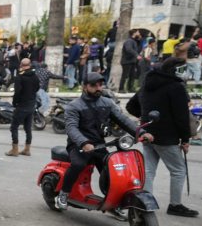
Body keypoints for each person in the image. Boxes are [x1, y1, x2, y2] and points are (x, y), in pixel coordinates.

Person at [56, 72, 152, 212]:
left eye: (100, 85)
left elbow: (123, 120)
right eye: (93, 85)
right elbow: (71, 128)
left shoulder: (107, 103)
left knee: (112, 171)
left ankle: (113, 201)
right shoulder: (74, 106)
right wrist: (83, 142)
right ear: (85, 87)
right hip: (78, 145)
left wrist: (141, 133)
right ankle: (63, 194)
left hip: (99, 144)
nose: (98, 88)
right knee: (78, 164)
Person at [126, 57, 197, 217]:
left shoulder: (147, 85)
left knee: (148, 170)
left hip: (147, 133)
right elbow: (181, 117)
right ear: (176, 70)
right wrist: (185, 139)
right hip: (167, 137)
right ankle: (175, 204)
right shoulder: (176, 87)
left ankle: (145, 203)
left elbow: (131, 106)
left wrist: (144, 117)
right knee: (178, 170)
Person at [6, 58, 38, 157]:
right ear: (30, 65)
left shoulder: (20, 76)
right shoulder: (34, 76)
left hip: (22, 105)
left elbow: (17, 92)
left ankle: (15, 149)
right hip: (31, 105)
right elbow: (37, 88)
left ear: (21, 65)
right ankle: (27, 149)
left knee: (14, 127)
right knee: (28, 128)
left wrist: (15, 103)